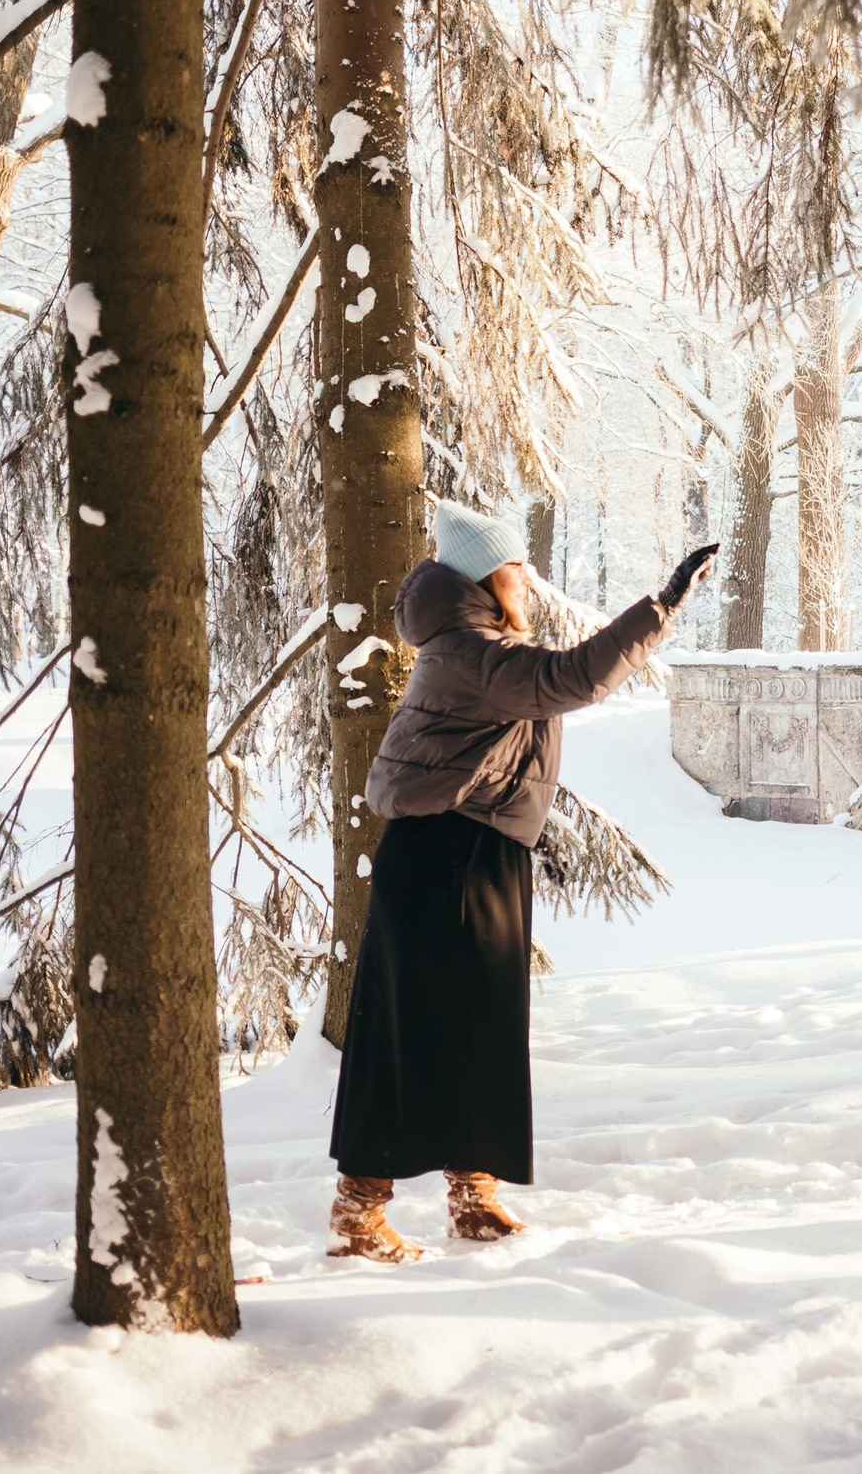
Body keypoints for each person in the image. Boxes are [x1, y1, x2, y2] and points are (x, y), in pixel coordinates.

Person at [325, 499, 717, 1261]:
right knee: (411, 1033)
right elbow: (571, 678)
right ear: (482, 576)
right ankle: (358, 1211)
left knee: (483, 1027)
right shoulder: (470, 652)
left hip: (474, 851)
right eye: (516, 569)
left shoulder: (479, 643)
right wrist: (660, 606)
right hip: (445, 857)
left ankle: (474, 1195)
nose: (528, 582)